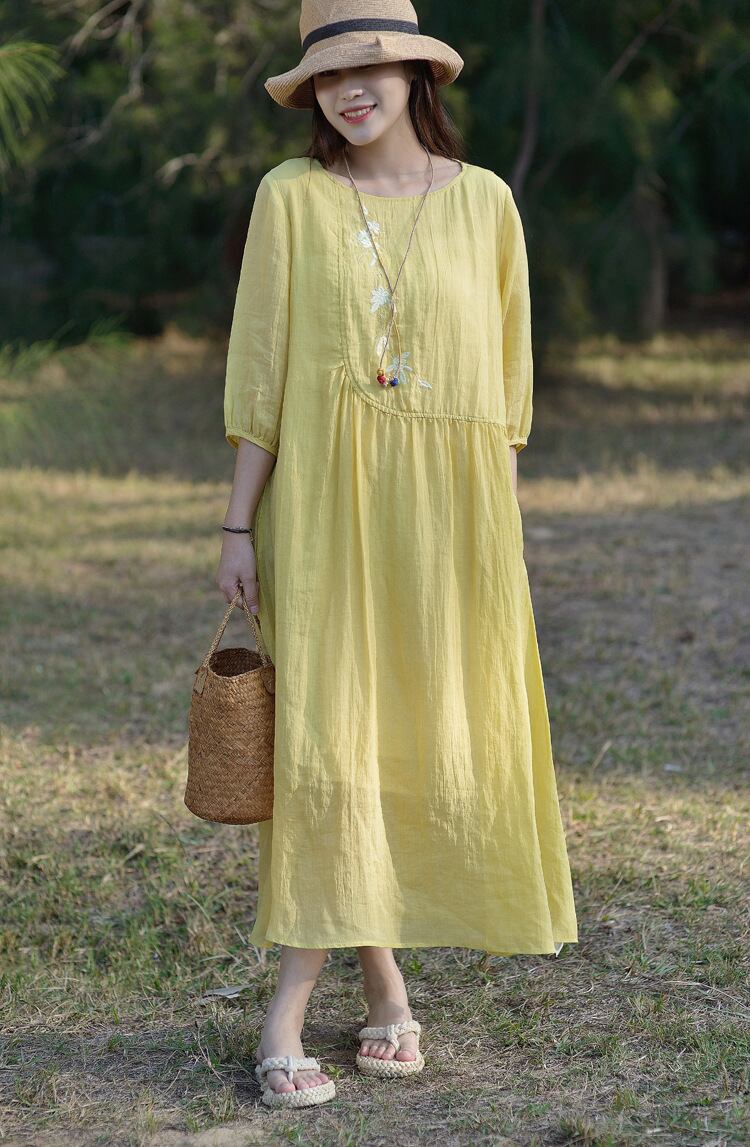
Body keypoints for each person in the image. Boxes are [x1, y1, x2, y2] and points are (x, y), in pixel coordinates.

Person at [216, 0, 578, 1109]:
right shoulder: (291, 197)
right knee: (330, 748)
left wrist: (499, 538)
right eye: (327, 76)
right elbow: (262, 371)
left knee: (411, 743)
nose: (348, 90)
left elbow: (507, 387)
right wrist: (236, 525)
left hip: (454, 522)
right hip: (325, 513)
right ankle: (287, 1013)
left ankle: (385, 987)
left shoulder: (487, 203)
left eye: (367, 67)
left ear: (419, 74)